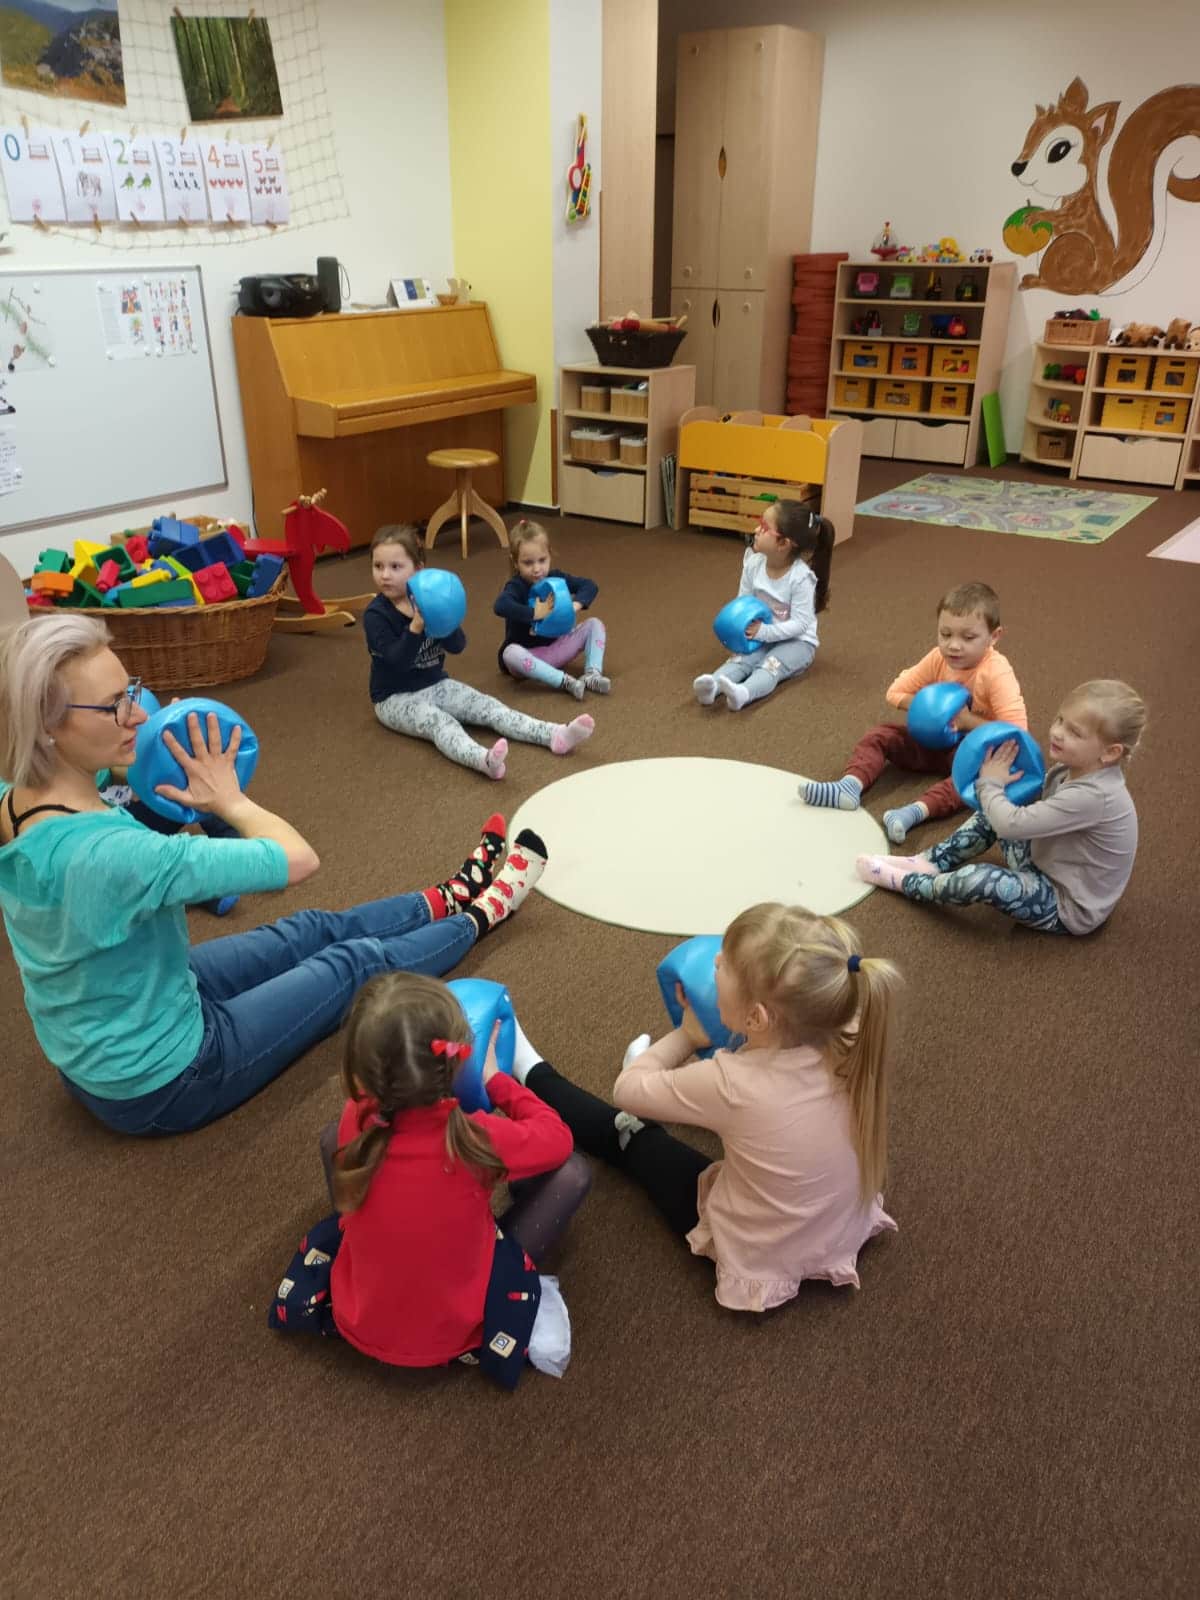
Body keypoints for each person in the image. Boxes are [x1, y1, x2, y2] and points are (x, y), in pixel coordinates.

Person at [0, 613, 547, 1135]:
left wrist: (151, 751)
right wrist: (227, 798)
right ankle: (482, 913)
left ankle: (449, 895)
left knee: (308, 930)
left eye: (132, 693)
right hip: (166, 1078)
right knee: (351, 964)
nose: (139, 716)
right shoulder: (112, 853)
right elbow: (296, 858)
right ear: (47, 725)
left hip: (125, 1003)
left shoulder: (17, 796)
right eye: (116, 706)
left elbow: (97, 790)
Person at [518, 903, 902, 1313]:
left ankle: (529, 1071)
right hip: (835, 1226)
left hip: (762, 1250)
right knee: (740, 1116)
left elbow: (626, 1089)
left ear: (757, 1017)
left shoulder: (730, 1082)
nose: (716, 959)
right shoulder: (848, 1026)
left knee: (631, 1135)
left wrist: (686, 1035)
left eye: (726, 964)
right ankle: (669, 1091)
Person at [268, 972, 591, 1390]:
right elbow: (559, 1138)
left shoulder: (356, 1117)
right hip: (456, 1328)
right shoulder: (477, 1138)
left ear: (361, 1070)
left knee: (334, 1138)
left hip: (360, 1314)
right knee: (573, 1173)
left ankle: (375, 1226)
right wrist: (497, 1080)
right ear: (457, 1062)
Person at [855, 679, 1143, 935]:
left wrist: (990, 782)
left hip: (1065, 904)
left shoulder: (1094, 797)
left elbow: (1010, 825)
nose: (1057, 732)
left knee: (984, 878)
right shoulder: (1074, 768)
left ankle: (911, 883)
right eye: (1060, 720)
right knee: (995, 809)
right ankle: (929, 862)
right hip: (1046, 859)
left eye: (1074, 732)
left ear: (1110, 752)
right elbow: (1021, 808)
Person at [802, 581, 1027, 842]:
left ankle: (913, 813)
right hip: (934, 739)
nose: (954, 646)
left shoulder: (996, 672)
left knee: (977, 778)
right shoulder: (938, 658)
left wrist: (967, 721)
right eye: (945, 634)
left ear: (994, 637)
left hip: (974, 749)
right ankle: (850, 786)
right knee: (880, 735)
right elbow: (895, 692)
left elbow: (1017, 731)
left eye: (968, 638)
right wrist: (931, 708)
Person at [366, 524, 594, 780]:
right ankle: (484, 760)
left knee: (489, 707)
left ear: (418, 569)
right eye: (378, 566)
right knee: (440, 723)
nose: (385, 575)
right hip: (394, 698)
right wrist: (416, 627)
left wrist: (444, 616)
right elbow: (398, 661)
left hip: (435, 683)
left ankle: (554, 734)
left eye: (395, 567)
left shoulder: (428, 601)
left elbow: (457, 646)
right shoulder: (376, 615)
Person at [693, 500, 834, 712]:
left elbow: (800, 625)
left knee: (770, 665)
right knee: (742, 659)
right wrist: (739, 630)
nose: (756, 530)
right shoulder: (754, 564)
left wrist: (764, 632)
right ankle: (712, 686)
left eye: (764, 527)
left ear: (783, 543)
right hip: (762, 633)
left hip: (798, 642)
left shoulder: (801, 578)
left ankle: (744, 693)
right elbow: (743, 602)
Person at [494, 518, 609, 698]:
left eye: (542, 560)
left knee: (595, 624)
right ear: (515, 562)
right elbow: (501, 605)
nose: (537, 569)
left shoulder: (556, 577)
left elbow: (589, 585)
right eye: (528, 563)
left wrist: (575, 605)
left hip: (557, 648)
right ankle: (563, 681)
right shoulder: (516, 586)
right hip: (529, 658)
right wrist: (535, 613)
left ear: (550, 554)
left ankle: (592, 674)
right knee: (509, 653)